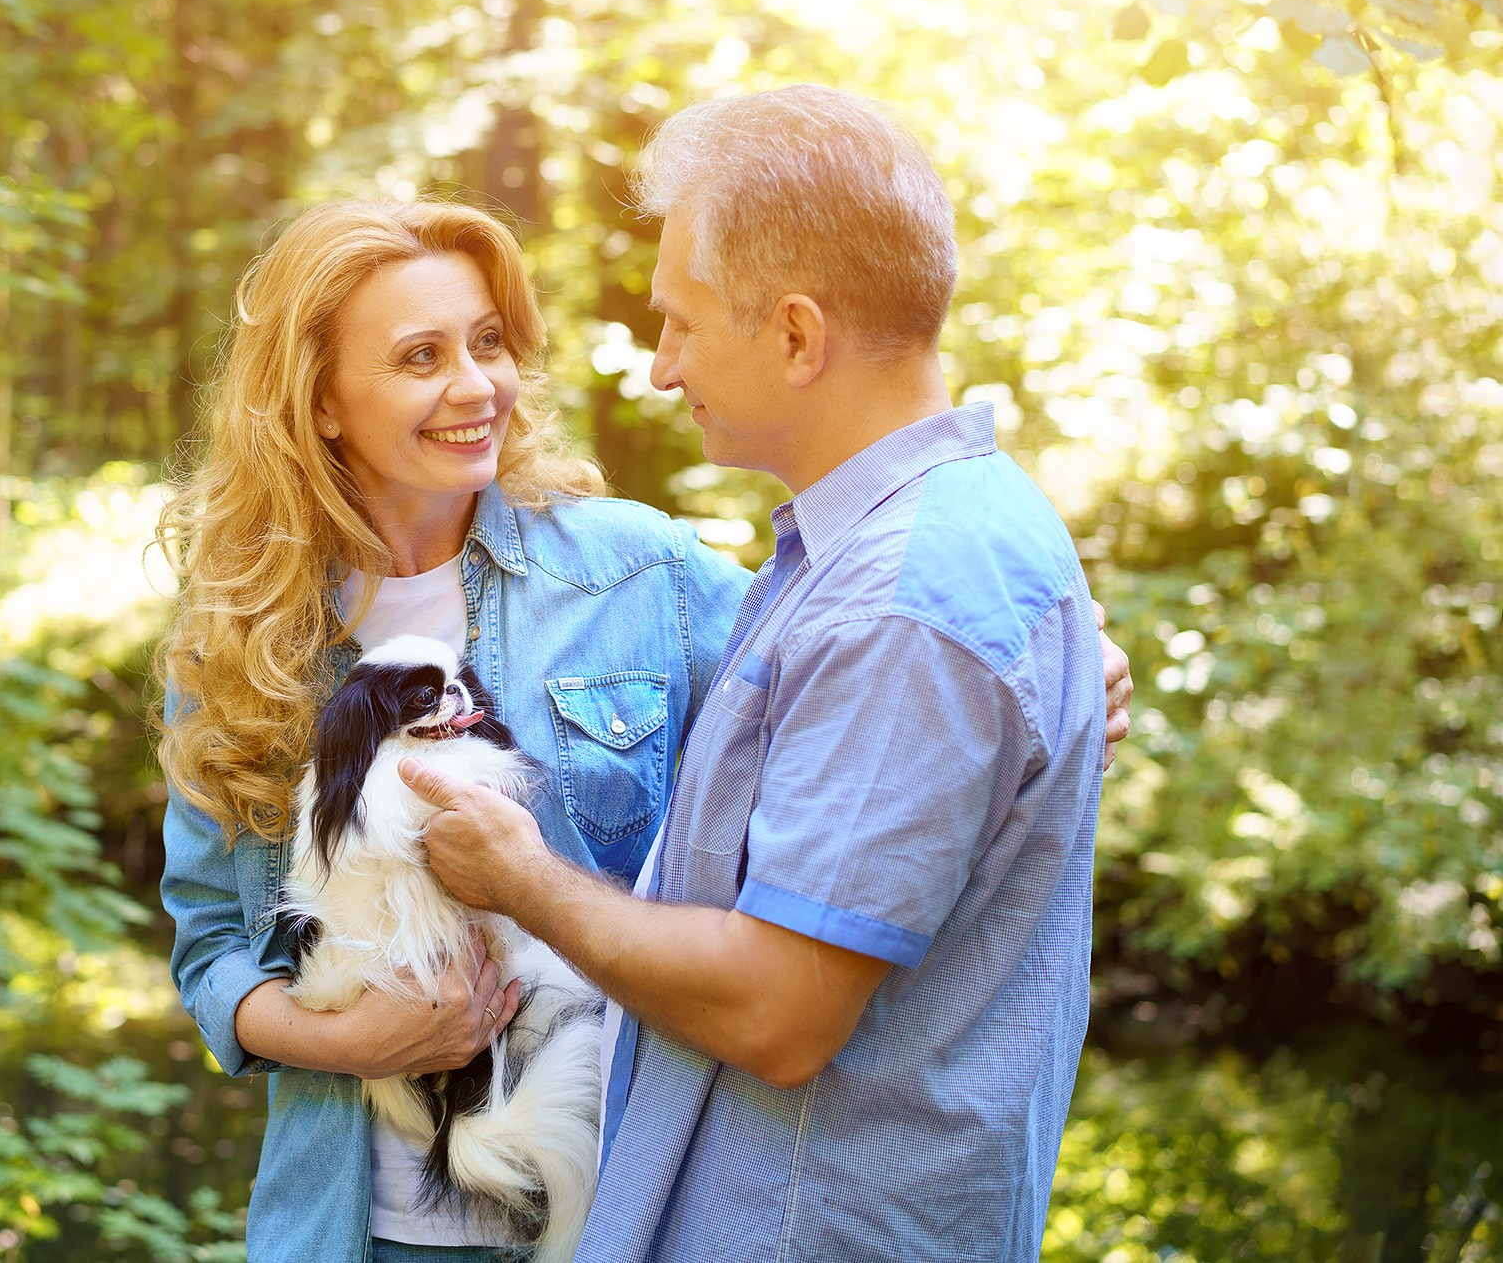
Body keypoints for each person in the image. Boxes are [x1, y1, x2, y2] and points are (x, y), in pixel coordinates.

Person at [157, 194, 1132, 1261]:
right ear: (322, 399)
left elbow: (859, 686)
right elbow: (211, 941)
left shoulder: (635, 571)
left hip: (608, 1214)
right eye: (419, 356)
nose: (475, 384)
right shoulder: (243, 635)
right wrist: (335, 1038)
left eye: (487, 343)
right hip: (347, 1226)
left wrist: (1059, 659)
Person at [404, 85, 1112, 1262]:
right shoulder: (890, 552)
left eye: (679, 323)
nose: (661, 370)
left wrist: (524, 881)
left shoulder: (902, 604)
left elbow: (775, 1012)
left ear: (794, 333)